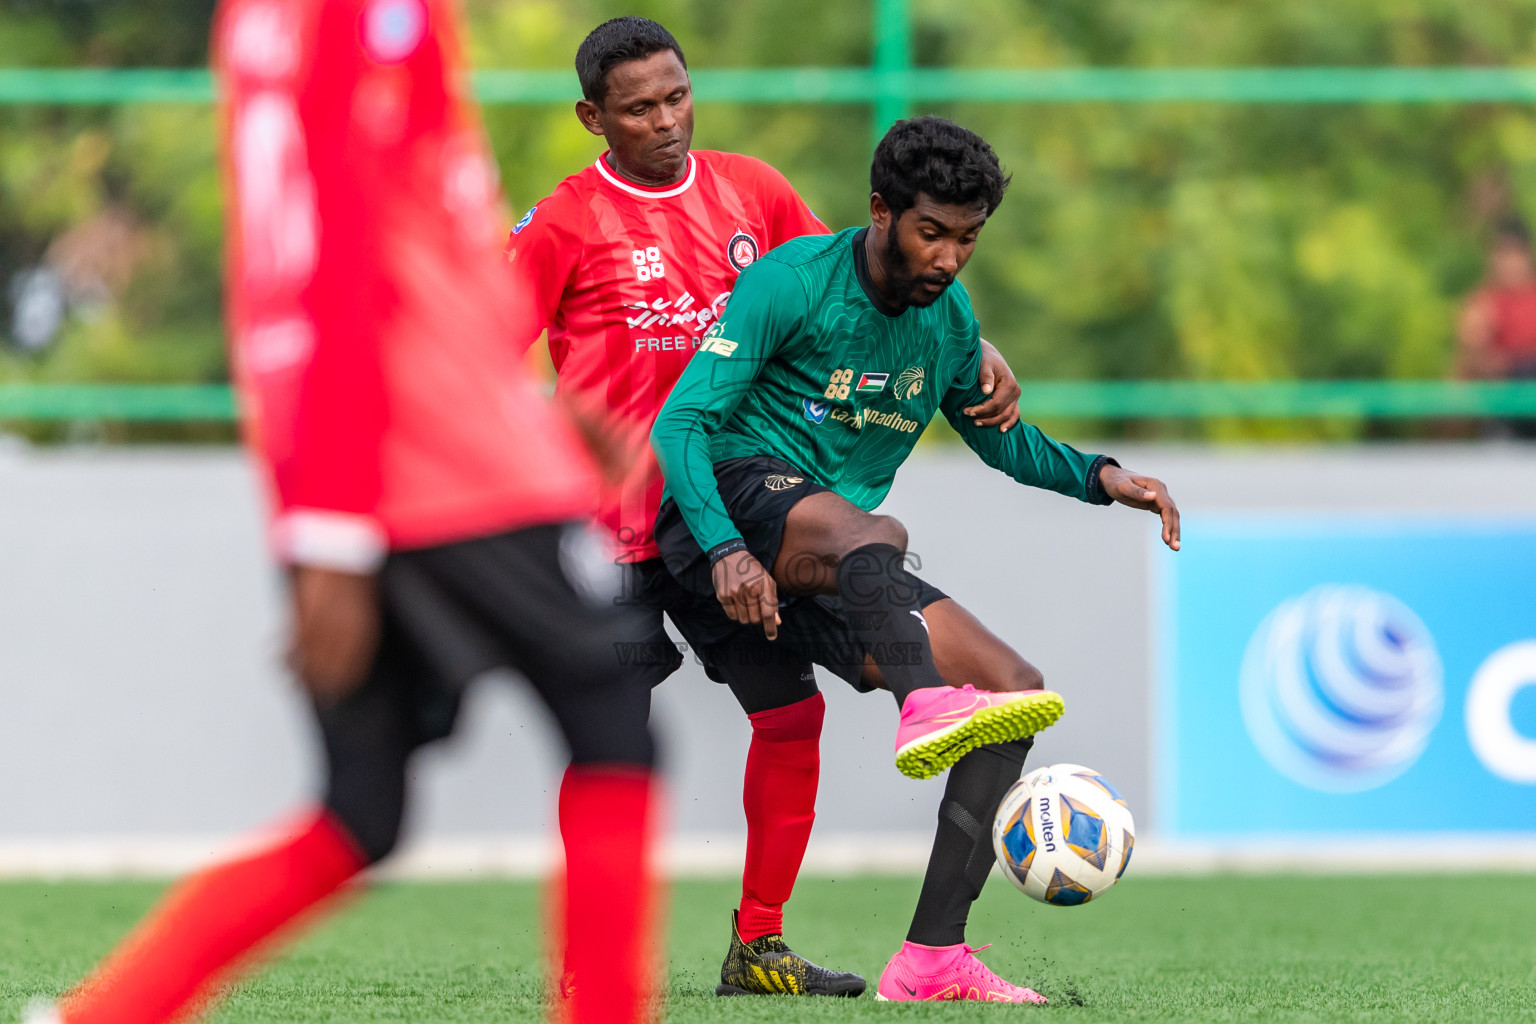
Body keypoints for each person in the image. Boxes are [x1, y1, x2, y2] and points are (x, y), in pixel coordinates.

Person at [25, 3, 660, 1024]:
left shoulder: (265, 18)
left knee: (360, 812)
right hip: (431, 451)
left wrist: (521, 401)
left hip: (351, 436)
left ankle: (101, 1017)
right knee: (612, 717)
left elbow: (394, 226)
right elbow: (343, 235)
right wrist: (332, 525)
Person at [505, 16, 1031, 999]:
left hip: (738, 514)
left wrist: (978, 345)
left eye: (677, 96)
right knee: (611, 734)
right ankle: (589, 966)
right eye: (638, 107)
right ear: (593, 118)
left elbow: (855, 288)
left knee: (790, 718)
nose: (666, 121)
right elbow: (485, 361)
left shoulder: (753, 191)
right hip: (609, 532)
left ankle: (759, 945)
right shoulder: (564, 224)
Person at [650, 115, 1180, 1002]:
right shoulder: (794, 282)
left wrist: (1102, 477)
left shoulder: (948, 321)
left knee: (1015, 690)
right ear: (881, 212)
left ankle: (933, 957)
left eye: (968, 239)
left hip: (831, 563)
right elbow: (683, 423)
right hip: (727, 517)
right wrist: (726, 550)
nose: (948, 258)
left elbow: (1003, 443)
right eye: (931, 232)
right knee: (878, 536)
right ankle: (921, 699)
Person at [1457, 217, 1536, 438]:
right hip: (1501, 412)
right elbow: (1467, 369)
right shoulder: (1481, 303)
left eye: (1514, 253)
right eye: (1501, 254)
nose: (1507, 262)